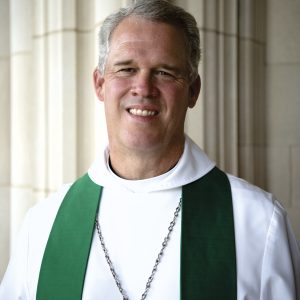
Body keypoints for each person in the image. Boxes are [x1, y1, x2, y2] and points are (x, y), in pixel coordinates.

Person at [1, 0, 299, 299]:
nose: (143, 88)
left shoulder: (258, 223)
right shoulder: (44, 224)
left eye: (165, 73)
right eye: (126, 68)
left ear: (193, 91)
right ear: (100, 84)